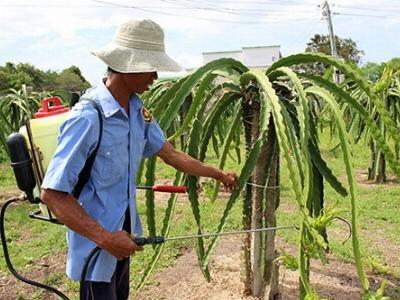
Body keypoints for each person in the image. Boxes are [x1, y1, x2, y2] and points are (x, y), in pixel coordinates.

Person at [40, 19, 238, 300]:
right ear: (127, 65)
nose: (155, 76)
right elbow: (52, 193)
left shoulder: (137, 111)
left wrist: (217, 174)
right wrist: (106, 239)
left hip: (124, 238)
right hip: (99, 249)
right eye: (150, 66)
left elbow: (170, 154)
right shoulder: (87, 118)